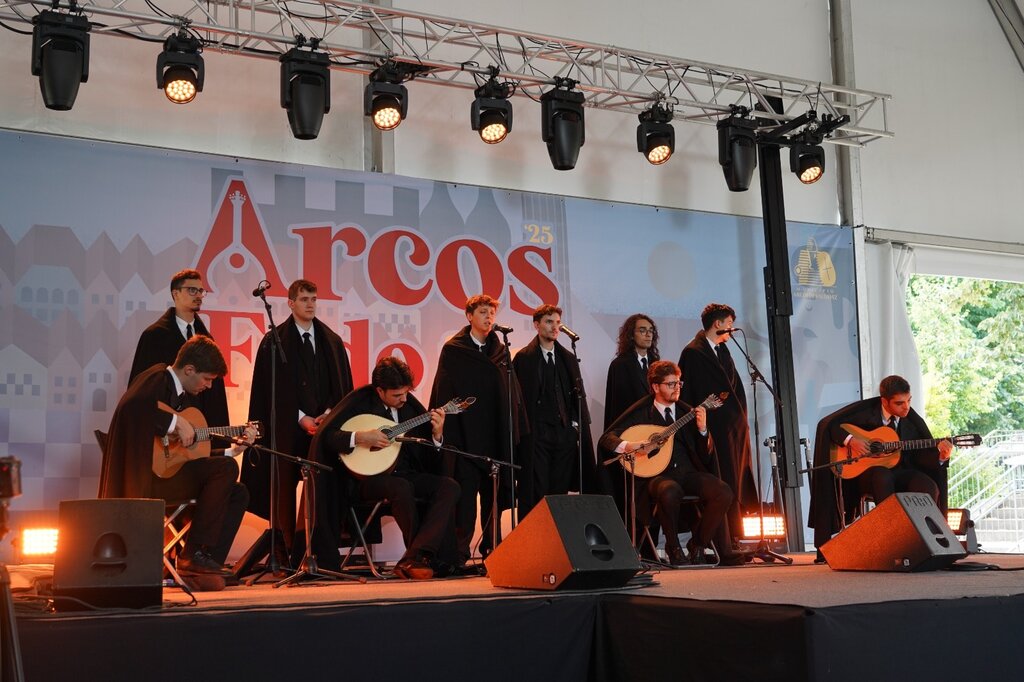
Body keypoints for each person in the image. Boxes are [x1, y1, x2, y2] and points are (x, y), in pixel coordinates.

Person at [100, 336, 254, 576]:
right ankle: (192, 554)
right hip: (147, 480)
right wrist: (174, 422)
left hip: (169, 476)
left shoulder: (182, 397)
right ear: (189, 369)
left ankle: (206, 561)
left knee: (239, 492)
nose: (209, 386)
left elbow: (181, 455)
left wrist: (231, 451)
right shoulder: (156, 377)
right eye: (207, 379)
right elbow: (131, 408)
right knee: (226, 468)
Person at [308, 357, 459, 580]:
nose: (404, 399)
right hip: (366, 480)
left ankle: (415, 556)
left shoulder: (410, 408)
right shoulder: (359, 402)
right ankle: (417, 560)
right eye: (397, 395)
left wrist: (437, 436)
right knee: (400, 487)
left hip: (405, 474)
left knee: (449, 486)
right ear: (380, 391)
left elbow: (427, 458)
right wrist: (360, 437)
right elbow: (328, 437)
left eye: (406, 393)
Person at [243, 279, 353, 561]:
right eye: (304, 299)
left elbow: (341, 387)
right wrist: (301, 418)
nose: (310, 304)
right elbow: (270, 393)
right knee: (283, 484)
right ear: (291, 303)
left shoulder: (332, 341)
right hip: (288, 429)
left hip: (325, 428)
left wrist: (329, 414)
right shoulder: (273, 342)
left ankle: (319, 548)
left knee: (326, 480)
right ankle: (286, 549)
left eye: (314, 299)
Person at [599, 361, 744, 566]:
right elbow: (607, 438)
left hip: (686, 473)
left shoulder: (687, 412)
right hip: (656, 477)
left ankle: (698, 544)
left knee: (723, 492)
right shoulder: (641, 413)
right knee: (669, 491)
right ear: (656, 387)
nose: (677, 388)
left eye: (678, 383)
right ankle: (673, 548)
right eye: (671, 384)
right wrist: (629, 445)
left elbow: (705, 455)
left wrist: (703, 430)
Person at [429, 294, 527, 565]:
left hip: (494, 436)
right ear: (469, 316)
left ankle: (493, 551)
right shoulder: (454, 350)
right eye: (483, 312)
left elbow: (511, 394)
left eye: (491, 313)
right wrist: (446, 430)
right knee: (465, 501)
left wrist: (514, 430)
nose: (488, 317)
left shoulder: (501, 351)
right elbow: (444, 390)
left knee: (493, 498)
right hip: (464, 436)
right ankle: (459, 554)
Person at [808, 374, 951, 556]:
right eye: (899, 403)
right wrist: (851, 441)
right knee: (882, 475)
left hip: (900, 471)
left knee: (927, 485)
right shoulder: (866, 412)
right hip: (864, 475)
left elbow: (922, 456)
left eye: (909, 400)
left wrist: (941, 457)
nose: (906, 407)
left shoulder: (912, 420)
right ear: (884, 401)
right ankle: (891, 537)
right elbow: (830, 425)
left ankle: (925, 541)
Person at [678, 303, 757, 541]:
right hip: (712, 431)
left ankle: (734, 535)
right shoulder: (693, 352)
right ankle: (718, 540)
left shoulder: (723, 350)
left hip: (732, 431)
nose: (732, 329)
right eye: (729, 324)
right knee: (721, 480)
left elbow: (734, 389)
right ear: (717, 324)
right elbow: (689, 393)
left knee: (735, 478)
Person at [513, 304, 594, 516]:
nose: (555, 327)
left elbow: (577, 396)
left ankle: (557, 533)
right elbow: (518, 401)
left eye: (558, 322)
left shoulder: (568, 357)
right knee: (537, 490)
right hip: (537, 435)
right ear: (537, 325)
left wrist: (574, 426)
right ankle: (537, 533)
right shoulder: (524, 358)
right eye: (549, 322)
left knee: (560, 491)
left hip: (564, 434)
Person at [129, 268, 229, 428]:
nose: (198, 295)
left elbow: (215, 398)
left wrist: (217, 436)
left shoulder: (208, 339)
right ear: (175, 294)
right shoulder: (154, 336)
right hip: (166, 431)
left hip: (200, 428)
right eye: (192, 290)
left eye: (201, 291)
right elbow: (140, 390)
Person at [604, 314, 660, 430]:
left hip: (655, 426)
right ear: (631, 335)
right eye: (642, 330)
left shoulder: (657, 363)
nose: (648, 334)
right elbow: (617, 407)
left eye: (651, 330)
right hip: (631, 429)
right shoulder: (620, 365)